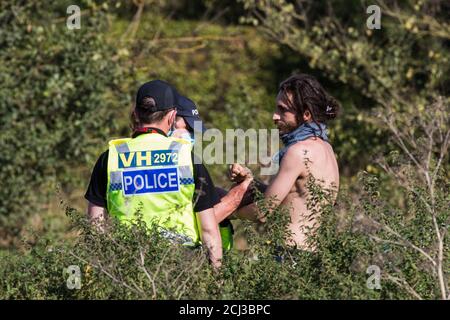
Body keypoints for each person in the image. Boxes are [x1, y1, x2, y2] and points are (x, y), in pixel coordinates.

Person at [84, 80, 222, 267]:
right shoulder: (187, 157)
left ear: (136, 113)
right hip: (181, 264)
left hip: (127, 263)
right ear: (172, 116)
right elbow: (208, 230)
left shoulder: (110, 157)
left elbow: (95, 228)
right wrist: (218, 280)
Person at [225, 74, 340, 251]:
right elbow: (291, 198)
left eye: (282, 110)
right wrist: (249, 181)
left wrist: (227, 211)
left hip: (291, 255)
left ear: (306, 114)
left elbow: (264, 211)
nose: (275, 116)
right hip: (315, 256)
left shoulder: (298, 152)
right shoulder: (326, 148)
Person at [169, 95, 236, 251]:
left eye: (193, 131)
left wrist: (222, 219)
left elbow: (224, 245)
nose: (191, 135)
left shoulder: (193, 165)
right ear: (170, 118)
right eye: (188, 127)